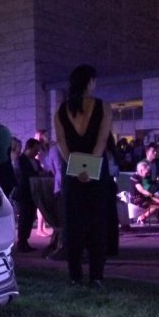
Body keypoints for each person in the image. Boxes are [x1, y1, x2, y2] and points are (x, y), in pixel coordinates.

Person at [54, 64, 113, 288]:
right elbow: (101, 141)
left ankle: (75, 276)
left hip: (72, 172)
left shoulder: (61, 110)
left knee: (73, 224)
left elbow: (61, 143)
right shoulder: (102, 107)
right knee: (97, 223)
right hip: (96, 171)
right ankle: (96, 277)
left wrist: (76, 167)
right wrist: (90, 167)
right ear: (89, 82)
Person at [15, 138, 42, 252]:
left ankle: (25, 241)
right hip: (24, 193)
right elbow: (25, 175)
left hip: (33, 194)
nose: (37, 153)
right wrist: (37, 174)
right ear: (29, 148)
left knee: (30, 218)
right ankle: (21, 242)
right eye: (35, 150)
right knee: (24, 218)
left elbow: (39, 171)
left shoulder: (35, 161)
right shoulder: (21, 160)